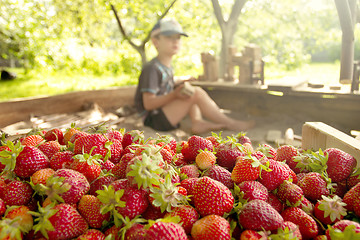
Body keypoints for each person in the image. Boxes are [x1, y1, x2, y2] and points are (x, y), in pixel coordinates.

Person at [134, 18, 255, 134]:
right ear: (156, 41)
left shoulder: (165, 67)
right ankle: (231, 123)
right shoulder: (152, 68)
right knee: (195, 93)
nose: (175, 41)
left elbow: (163, 84)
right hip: (153, 120)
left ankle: (197, 122)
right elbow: (149, 104)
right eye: (169, 37)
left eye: (178, 37)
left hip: (162, 114)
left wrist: (182, 81)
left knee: (188, 90)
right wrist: (175, 94)